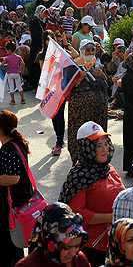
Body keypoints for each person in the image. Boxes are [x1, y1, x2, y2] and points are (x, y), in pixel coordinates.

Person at [59, 121, 124, 266]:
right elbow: (78, 213)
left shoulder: (108, 168)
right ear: (86, 147)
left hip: (114, 241)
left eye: (105, 143)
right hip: (92, 247)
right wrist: (111, 217)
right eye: (98, 145)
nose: (105, 149)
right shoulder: (79, 176)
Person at [67, 39, 109, 164]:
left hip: (98, 113)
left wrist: (102, 75)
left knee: (97, 138)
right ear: (81, 51)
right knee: (82, 137)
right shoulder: (75, 65)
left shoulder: (97, 64)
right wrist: (81, 77)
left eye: (92, 50)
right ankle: (80, 161)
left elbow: (106, 85)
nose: (90, 52)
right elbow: (68, 87)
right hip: (80, 114)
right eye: (87, 49)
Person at [0, 110, 32, 265]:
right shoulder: (17, 143)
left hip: (13, 205)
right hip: (22, 200)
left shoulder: (7, 150)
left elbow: (13, 178)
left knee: (11, 245)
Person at [16, 202, 89, 267]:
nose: (73, 253)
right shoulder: (27, 265)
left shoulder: (80, 260)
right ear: (50, 241)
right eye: (67, 247)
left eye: (77, 246)